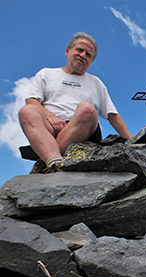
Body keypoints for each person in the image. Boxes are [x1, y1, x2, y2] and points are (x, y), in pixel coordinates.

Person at [19, 32, 132, 173]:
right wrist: (51, 117)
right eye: (79, 50)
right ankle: (55, 161)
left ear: (91, 62)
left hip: (81, 128)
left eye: (88, 55)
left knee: (87, 109)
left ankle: (48, 158)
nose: (83, 55)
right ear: (67, 51)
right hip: (50, 127)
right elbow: (31, 100)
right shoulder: (46, 74)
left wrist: (132, 139)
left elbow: (112, 114)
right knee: (27, 110)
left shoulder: (95, 83)